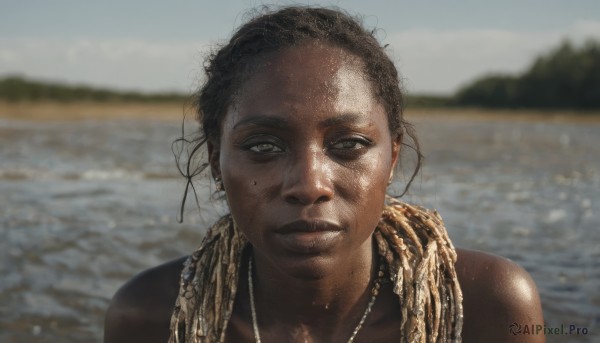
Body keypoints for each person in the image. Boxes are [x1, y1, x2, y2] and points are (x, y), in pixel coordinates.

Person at [104, 6, 544, 343]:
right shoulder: (149, 315)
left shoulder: (491, 305)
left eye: (348, 144)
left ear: (392, 158)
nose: (309, 185)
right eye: (263, 146)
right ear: (218, 163)